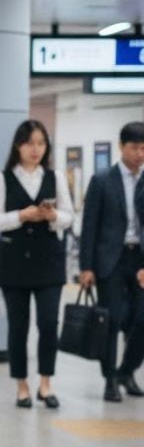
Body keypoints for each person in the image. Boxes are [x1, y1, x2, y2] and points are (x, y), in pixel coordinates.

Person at [0, 121, 73, 409]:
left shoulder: (55, 176)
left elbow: (69, 216)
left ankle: (45, 383)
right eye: (30, 143)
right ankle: (21, 384)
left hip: (49, 260)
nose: (35, 149)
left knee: (49, 324)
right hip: (14, 262)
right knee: (18, 326)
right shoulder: (2, 178)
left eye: (41, 143)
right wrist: (21, 216)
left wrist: (51, 217)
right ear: (18, 145)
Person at [78, 121, 144, 403]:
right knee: (112, 320)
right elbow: (89, 225)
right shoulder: (103, 180)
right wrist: (86, 266)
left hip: (139, 258)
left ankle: (126, 370)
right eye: (134, 147)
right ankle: (109, 380)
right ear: (121, 147)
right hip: (110, 261)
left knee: (141, 320)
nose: (139, 154)